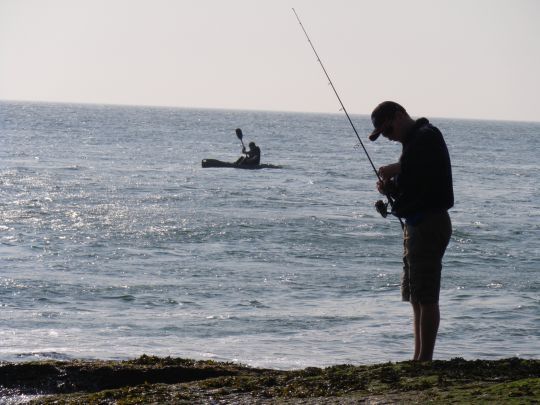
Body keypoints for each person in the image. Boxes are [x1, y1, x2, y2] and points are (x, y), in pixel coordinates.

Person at [369, 101, 454, 361]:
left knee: (426, 295)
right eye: (384, 134)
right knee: (416, 294)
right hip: (416, 223)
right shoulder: (412, 144)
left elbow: (421, 165)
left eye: (388, 130)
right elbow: (415, 183)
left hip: (430, 222)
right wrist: (391, 188)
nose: (388, 137)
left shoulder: (427, 135)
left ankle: (425, 359)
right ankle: (418, 358)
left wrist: (395, 169)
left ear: (399, 115)